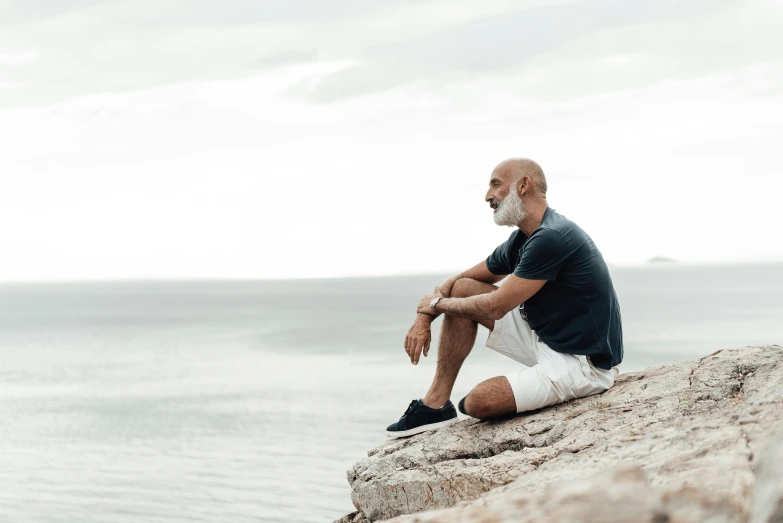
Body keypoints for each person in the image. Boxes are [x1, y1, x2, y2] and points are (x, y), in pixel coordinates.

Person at [386, 158, 623, 438]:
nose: (488, 196)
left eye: (496, 185)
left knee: (477, 402)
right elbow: (461, 280)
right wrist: (424, 315)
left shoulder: (553, 237)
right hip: (543, 338)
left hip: (581, 364)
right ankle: (435, 405)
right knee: (464, 287)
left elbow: (496, 306)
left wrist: (436, 305)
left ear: (523, 185)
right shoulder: (525, 237)